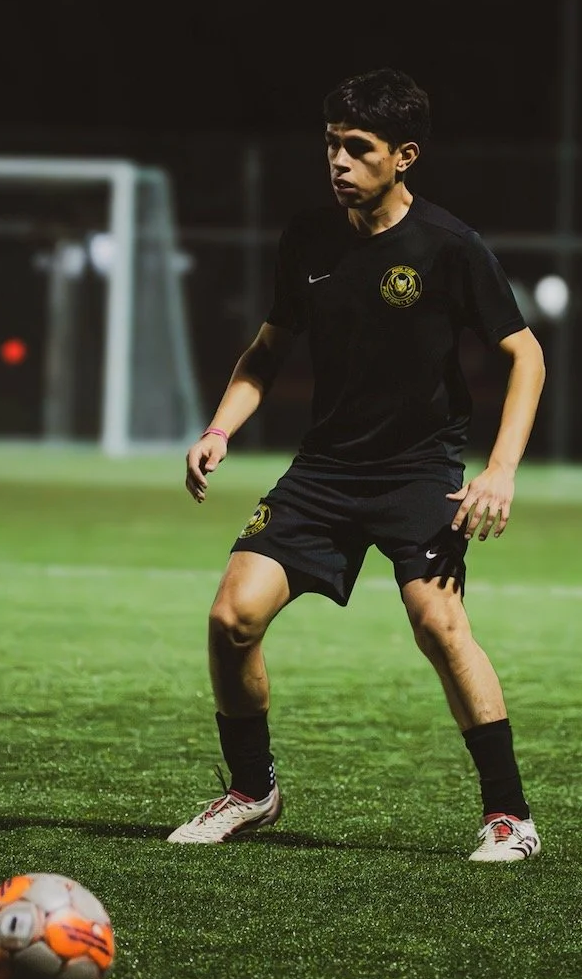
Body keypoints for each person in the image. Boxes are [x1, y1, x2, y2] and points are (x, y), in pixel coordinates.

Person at [167, 67, 547, 862]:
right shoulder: (309, 238)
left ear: (404, 155)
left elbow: (527, 354)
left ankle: (510, 816)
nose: (338, 161)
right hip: (324, 473)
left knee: (439, 624)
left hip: (420, 474)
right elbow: (267, 350)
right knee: (230, 618)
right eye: (332, 145)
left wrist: (500, 470)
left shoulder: (448, 246)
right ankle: (252, 789)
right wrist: (220, 427)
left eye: (359, 148)